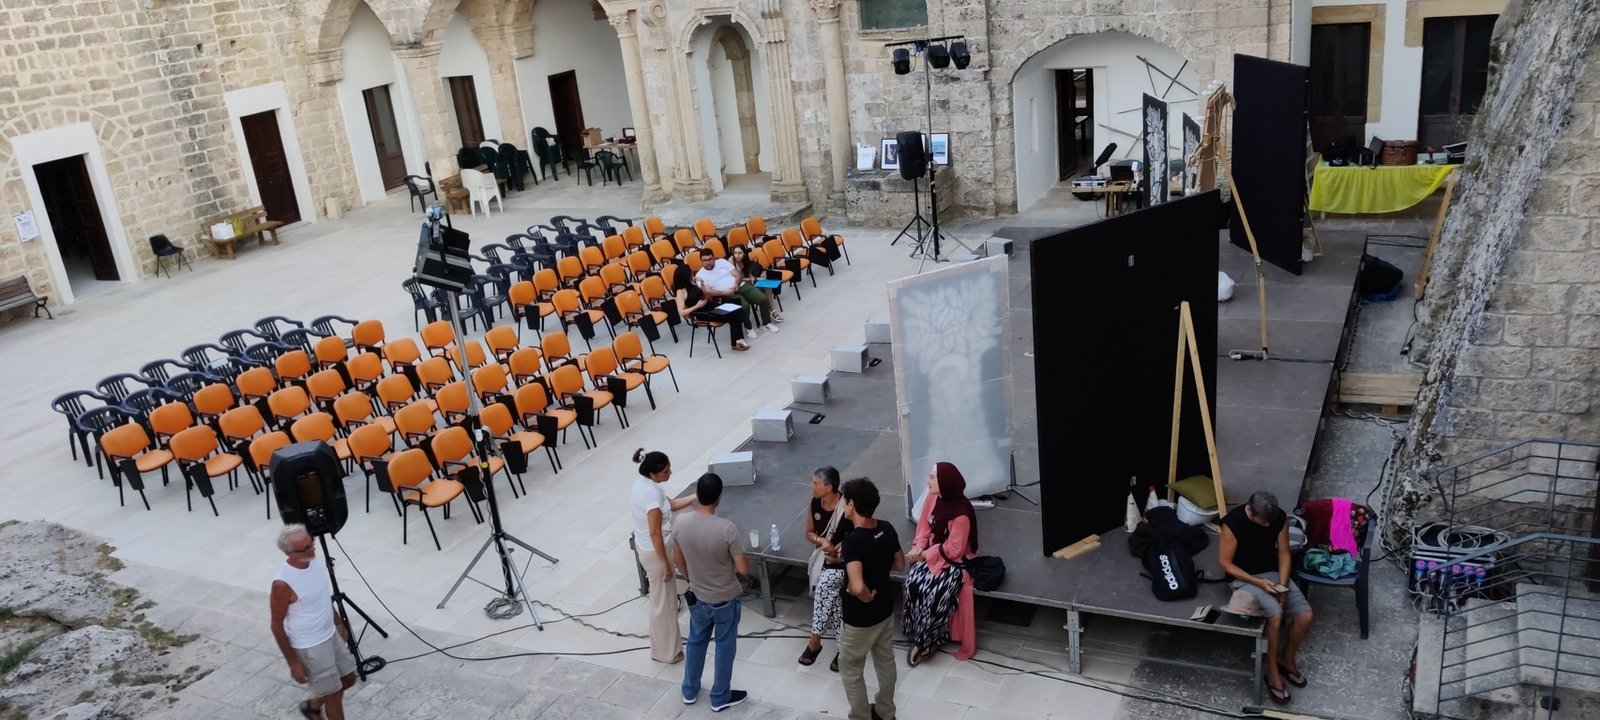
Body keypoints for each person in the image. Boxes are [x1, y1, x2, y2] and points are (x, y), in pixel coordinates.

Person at [1219, 491, 1314, 704]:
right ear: (1251, 512)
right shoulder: (1233, 524)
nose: (1267, 526)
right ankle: (1271, 671)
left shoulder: (1277, 517)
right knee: (1276, 614)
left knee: (1305, 616)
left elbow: (1284, 553)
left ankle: (1286, 659)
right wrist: (1259, 583)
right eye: (1263, 522)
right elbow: (1225, 563)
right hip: (1243, 578)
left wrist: (1283, 586)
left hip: (1272, 573)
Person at [672, 473, 750, 712]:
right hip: (725, 599)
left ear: (697, 495)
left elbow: (677, 558)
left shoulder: (681, 522)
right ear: (719, 498)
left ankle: (689, 689)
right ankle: (720, 696)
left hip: (697, 596)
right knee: (725, 647)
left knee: (696, 641)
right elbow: (743, 568)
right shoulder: (726, 529)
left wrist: (689, 577)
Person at [269, 524, 356, 720]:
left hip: (330, 634)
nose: (312, 549)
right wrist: (293, 663)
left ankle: (312, 706)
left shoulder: (314, 562)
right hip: (311, 646)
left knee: (349, 678)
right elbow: (276, 625)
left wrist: (338, 622)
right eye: (306, 547)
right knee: (334, 695)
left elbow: (322, 596)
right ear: (290, 553)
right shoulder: (282, 584)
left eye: (312, 542)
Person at [838, 477, 904, 720]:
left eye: (845, 501)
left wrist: (865, 596)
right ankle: (886, 712)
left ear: (852, 504)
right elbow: (900, 563)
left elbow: (857, 586)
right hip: (885, 610)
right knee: (885, 662)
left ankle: (861, 716)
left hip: (860, 619)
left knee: (850, 667)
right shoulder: (886, 528)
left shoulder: (852, 542)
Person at [902, 462, 979, 664]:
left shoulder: (962, 514)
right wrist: (919, 546)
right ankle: (918, 632)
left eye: (932, 478)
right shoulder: (933, 497)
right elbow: (924, 527)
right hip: (931, 552)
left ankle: (930, 639)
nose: (928, 481)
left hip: (955, 562)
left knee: (936, 593)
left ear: (944, 482)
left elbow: (954, 550)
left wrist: (924, 554)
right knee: (912, 583)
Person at [630, 448, 697, 664]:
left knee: (663, 602)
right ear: (654, 473)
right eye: (666, 471)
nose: (670, 473)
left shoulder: (645, 485)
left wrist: (696, 496)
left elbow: (672, 505)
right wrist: (666, 565)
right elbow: (655, 533)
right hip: (655, 553)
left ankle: (666, 648)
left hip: (650, 548)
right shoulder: (651, 497)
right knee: (664, 604)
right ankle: (668, 652)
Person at [800, 466, 852, 671]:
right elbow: (809, 532)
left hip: (846, 563)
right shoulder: (815, 503)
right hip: (824, 560)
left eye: (815, 483)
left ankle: (815, 640)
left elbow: (858, 532)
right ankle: (843, 647)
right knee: (836, 601)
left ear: (829, 487)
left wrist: (843, 546)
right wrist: (821, 540)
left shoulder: (846, 506)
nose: (811, 486)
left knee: (825, 587)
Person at [698, 246, 779, 335]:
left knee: (763, 298)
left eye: (710, 259)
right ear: (701, 261)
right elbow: (707, 292)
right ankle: (748, 327)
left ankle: (766, 324)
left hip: (740, 285)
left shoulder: (722, 262)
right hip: (726, 293)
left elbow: (738, 274)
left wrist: (736, 284)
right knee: (744, 306)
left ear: (714, 258)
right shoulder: (700, 275)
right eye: (705, 260)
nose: (708, 262)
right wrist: (724, 292)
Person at [671, 262, 748, 351]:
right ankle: (738, 341)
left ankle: (737, 342)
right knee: (734, 314)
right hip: (704, 313)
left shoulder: (692, 282)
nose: (693, 273)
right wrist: (697, 306)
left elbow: (702, 293)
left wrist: (702, 286)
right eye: (690, 272)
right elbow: (681, 312)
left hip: (710, 306)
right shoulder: (680, 292)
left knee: (736, 304)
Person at [729, 245, 783, 325]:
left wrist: (751, 277)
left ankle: (773, 311)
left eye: (740, 253)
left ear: (744, 254)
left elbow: (749, 273)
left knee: (766, 285)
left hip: (748, 282)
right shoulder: (731, 260)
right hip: (740, 285)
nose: (737, 255)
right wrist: (749, 279)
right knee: (762, 289)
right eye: (735, 253)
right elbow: (736, 278)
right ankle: (770, 311)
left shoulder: (745, 261)